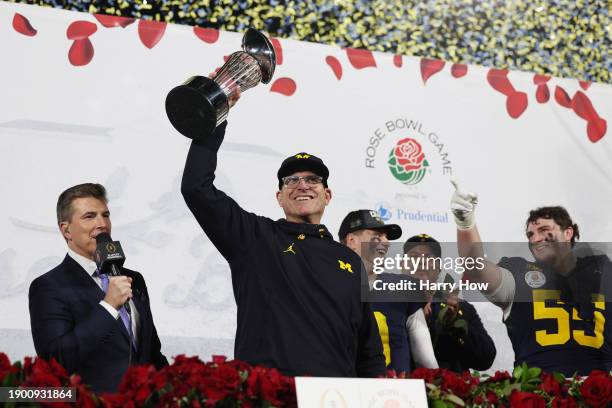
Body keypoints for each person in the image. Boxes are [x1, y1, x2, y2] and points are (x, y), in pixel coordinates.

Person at [181, 123, 385, 377]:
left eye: (313, 179)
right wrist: (214, 118)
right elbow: (196, 189)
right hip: (271, 398)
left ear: (328, 195)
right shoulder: (255, 237)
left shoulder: (350, 261)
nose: (302, 185)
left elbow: (369, 351)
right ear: (279, 197)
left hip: (335, 398)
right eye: (292, 180)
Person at [450, 179, 612, 375]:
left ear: (568, 232)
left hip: (600, 392)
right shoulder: (520, 273)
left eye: (544, 230)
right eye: (530, 235)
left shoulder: (602, 271)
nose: (535, 239)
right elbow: (476, 269)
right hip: (538, 393)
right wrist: (465, 221)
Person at [29, 183, 168, 393]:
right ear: (66, 229)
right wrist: (109, 306)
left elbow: (152, 353)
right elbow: (56, 360)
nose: (102, 224)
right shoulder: (48, 286)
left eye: (106, 215)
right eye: (89, 216)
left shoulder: (133, 279)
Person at [339, 210, 438, 373]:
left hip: (395, 394)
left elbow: (426, 359)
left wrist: (440, 390)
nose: (386, 243)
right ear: (351, 241)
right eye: (377, 237)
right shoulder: (327, 287)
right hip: (344, 392)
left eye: (386, 238)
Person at [403, 234, 495, 372]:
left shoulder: (460, 308)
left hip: (450, 391)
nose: (420, 262)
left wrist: (455, 325)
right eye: (414, 257)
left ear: (439, 268)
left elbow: (485, 359)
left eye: (428, 257)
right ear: (402, 265)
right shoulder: (386, 305)